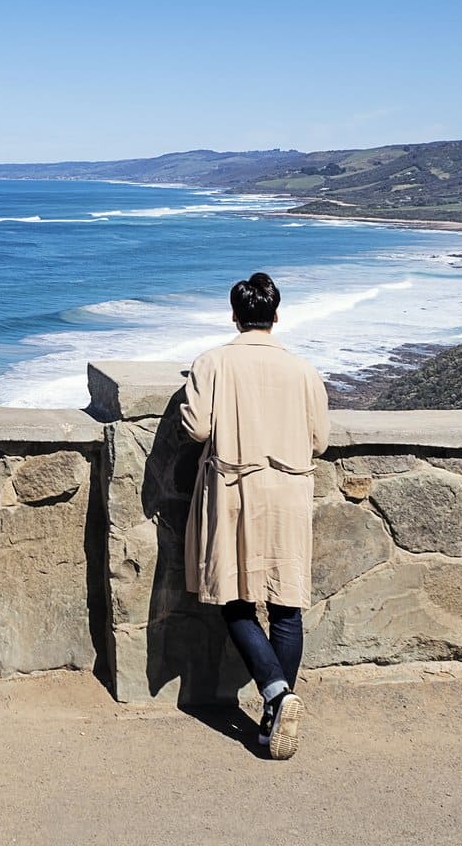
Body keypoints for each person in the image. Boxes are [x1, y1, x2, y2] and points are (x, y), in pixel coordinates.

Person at [180, 272, 330, 759]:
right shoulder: (302, 369)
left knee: (235, 599)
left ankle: (277, 695)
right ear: (276, 315)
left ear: (234, 316)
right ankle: (275, 713)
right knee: (287, 604)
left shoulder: (214, 361)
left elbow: (198, 429)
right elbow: (320, 440)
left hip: (235, 487)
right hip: (289, 489)